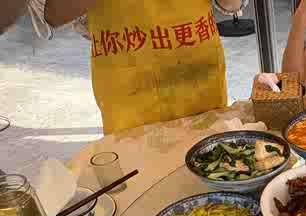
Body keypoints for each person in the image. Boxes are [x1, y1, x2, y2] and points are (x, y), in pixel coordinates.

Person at [27, 0, 244, 134]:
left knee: (212, 161)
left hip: (199, 74)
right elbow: (50, 14)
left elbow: (231, 4)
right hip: (130, 86)